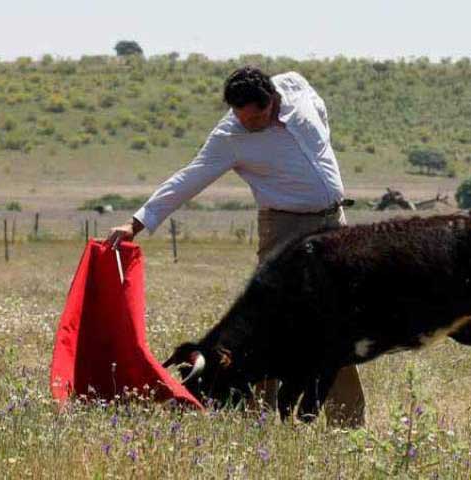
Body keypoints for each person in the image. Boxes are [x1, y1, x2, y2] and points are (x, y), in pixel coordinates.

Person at [107, 66, 365, 427]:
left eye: (254, 119)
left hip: (334, 224)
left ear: (272, 100)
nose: (246, 125)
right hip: (285, 228)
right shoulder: (230, 135)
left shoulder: (296, 88)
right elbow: (188, 178)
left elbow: (319, 111)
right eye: (240, 118)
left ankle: (348, 424)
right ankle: (258, 416)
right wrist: (136, 223)